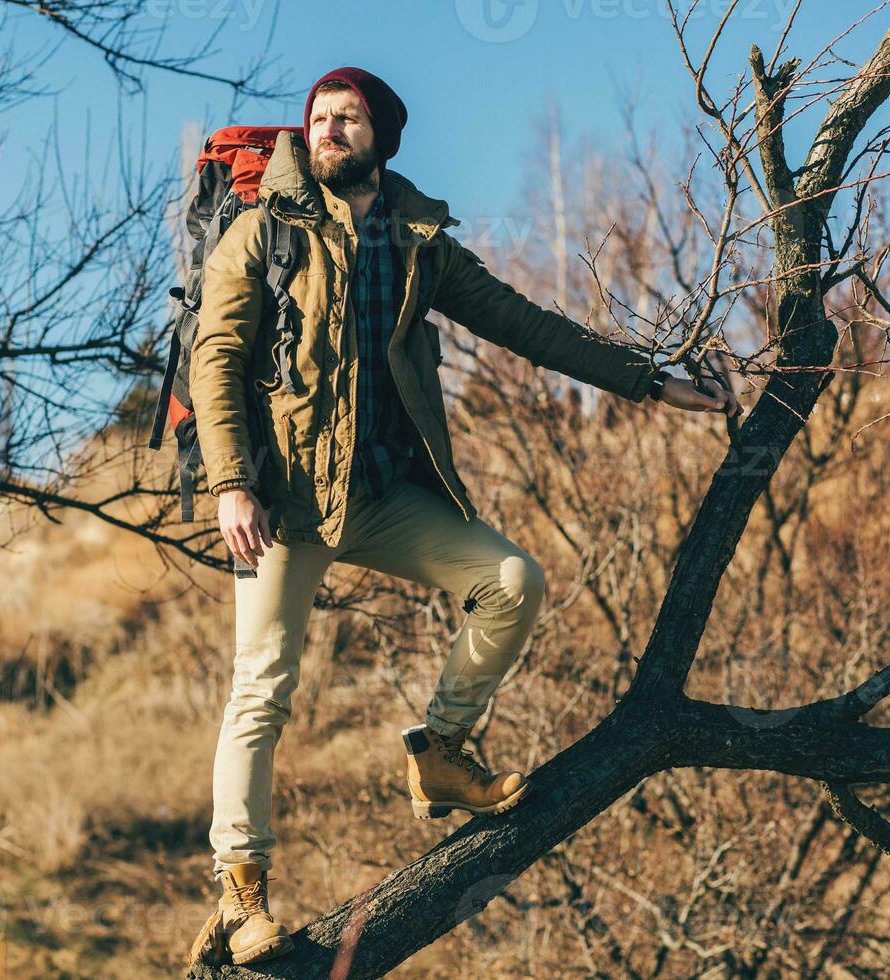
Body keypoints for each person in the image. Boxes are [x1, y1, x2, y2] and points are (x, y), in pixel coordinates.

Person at [184, 66, 740, 968]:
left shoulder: (418, 242)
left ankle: (440, 751)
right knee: (262, 690)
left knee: (512, 580)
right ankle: (244, 896)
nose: (327, 129)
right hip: (282, 503)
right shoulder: (264, 232)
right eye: (319, 118)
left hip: (377, 494)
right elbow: (217, 357)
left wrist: (653, 383)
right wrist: (230, 484)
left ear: (383, 138)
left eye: (348, 118)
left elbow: (526, 324)